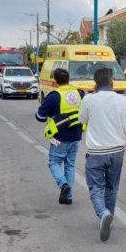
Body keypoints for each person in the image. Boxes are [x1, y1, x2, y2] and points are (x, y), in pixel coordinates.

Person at [79, 67, 126, 242]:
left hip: (96, 153)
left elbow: (82, 120)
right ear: (111, 82)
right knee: (112, 187)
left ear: (95, 83)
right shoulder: (124, 101)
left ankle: (103, 214)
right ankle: (109, 218)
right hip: (117, 153)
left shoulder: (89, 100)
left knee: (96, 188)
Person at [35, 68, 83, 205]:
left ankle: (63, 185)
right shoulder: (79, 93)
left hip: (60, 137)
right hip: (76, 135)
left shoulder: (54, 96)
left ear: (55, 81)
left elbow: (40, 116)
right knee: (70, 165)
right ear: (69, 79)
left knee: (54, 162)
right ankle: (68, 197)